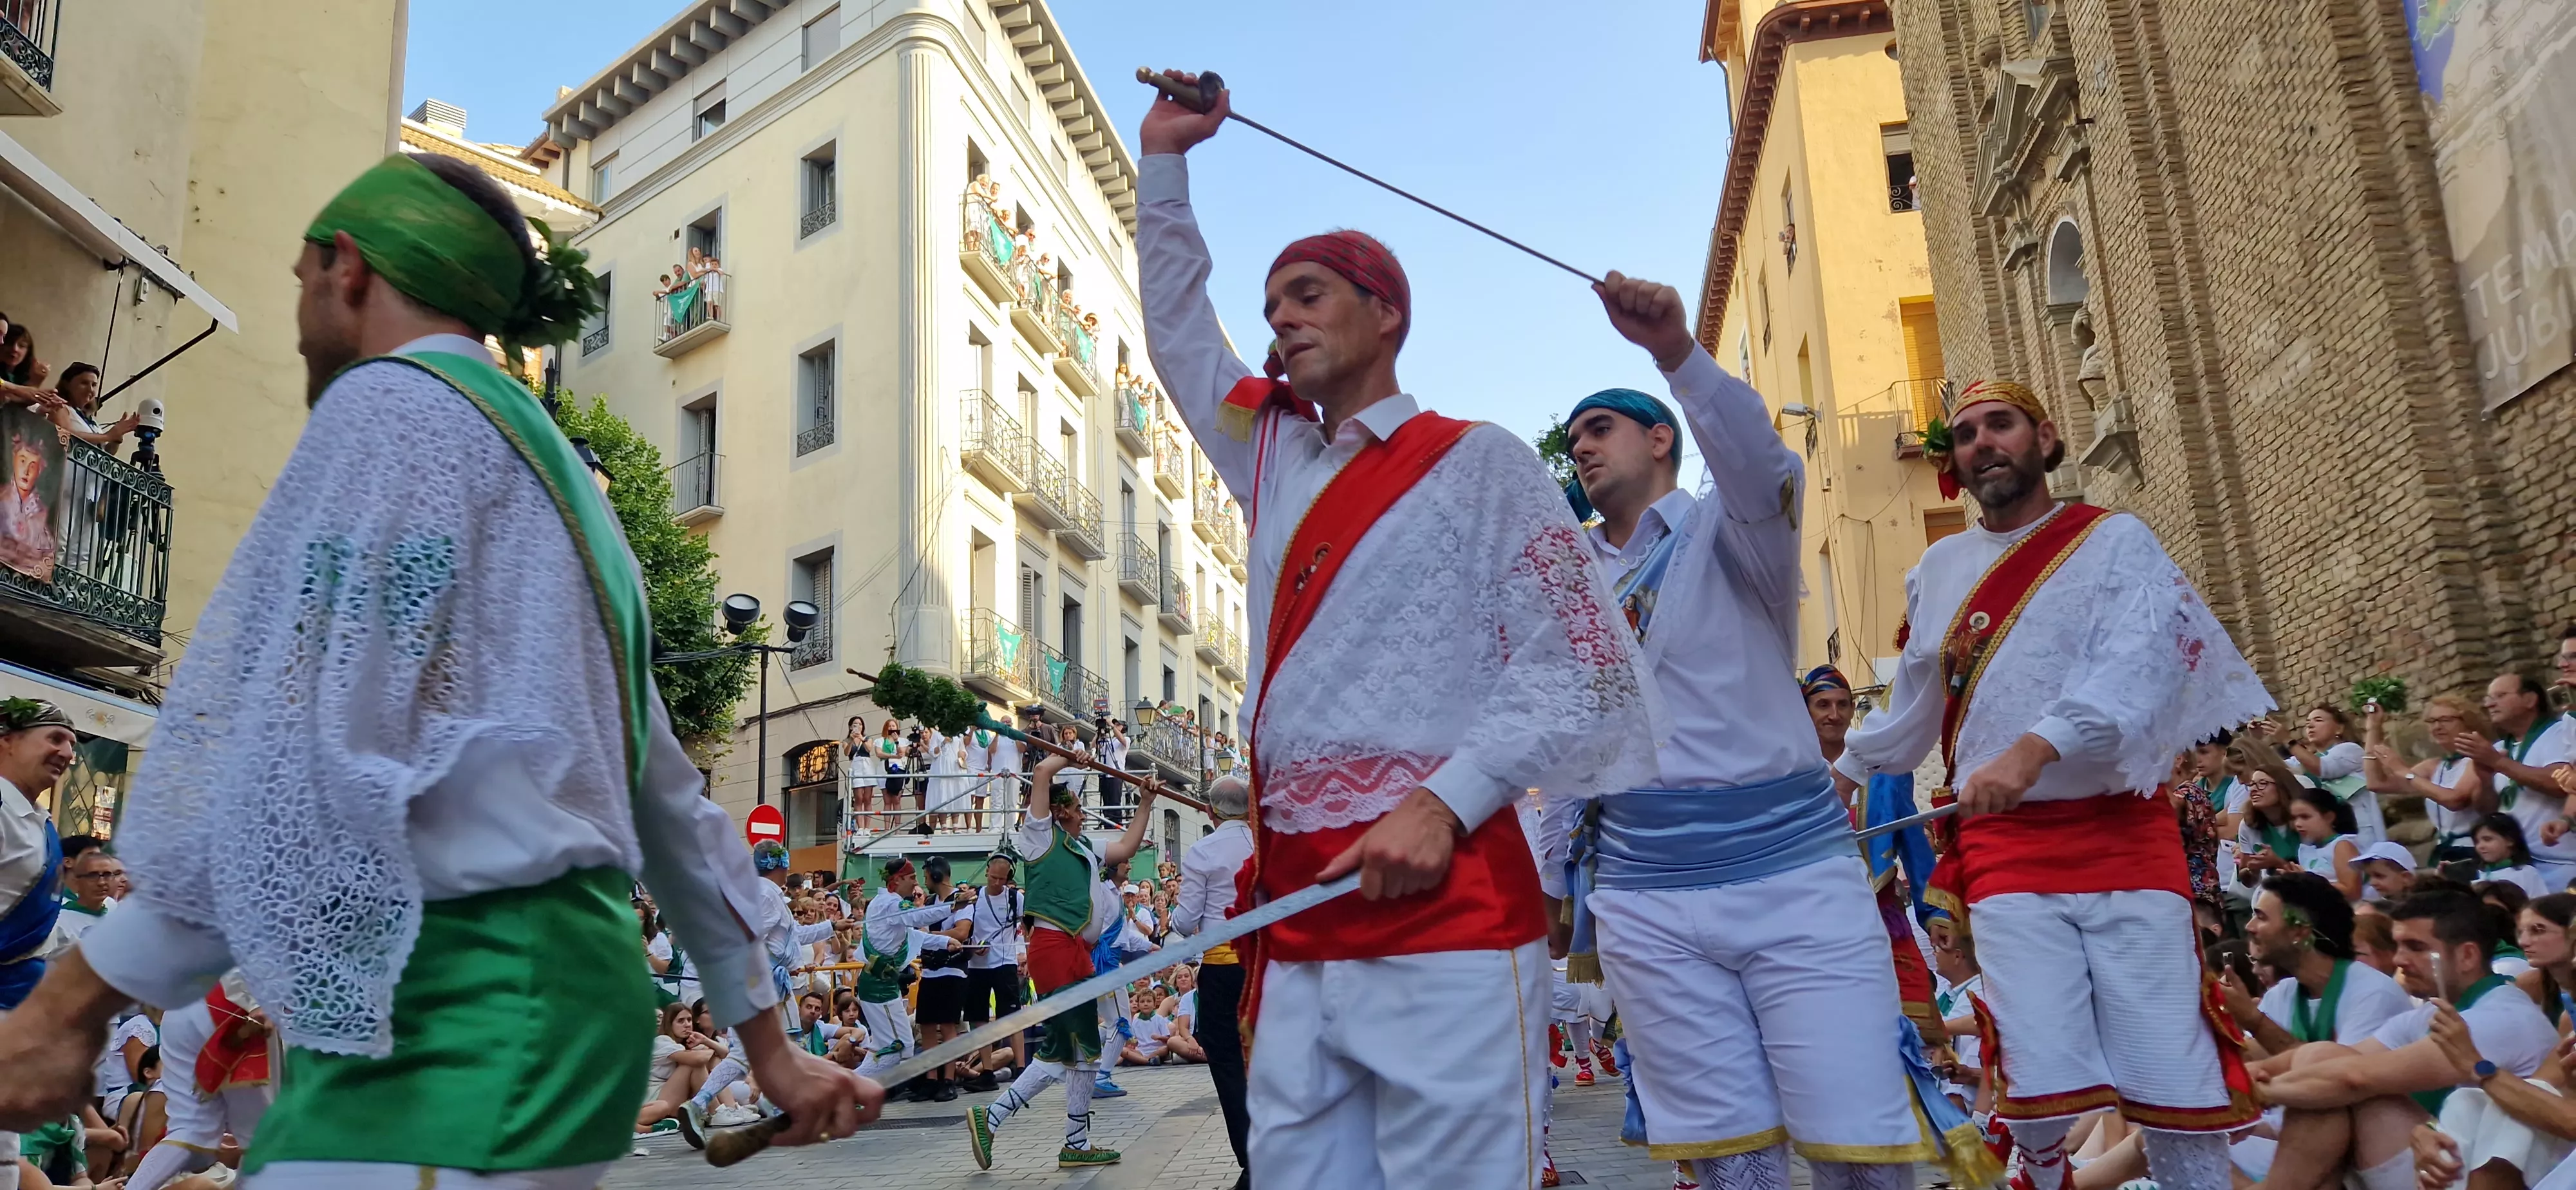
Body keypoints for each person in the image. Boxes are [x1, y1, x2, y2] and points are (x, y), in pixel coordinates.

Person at [0, 155, 878, 1184]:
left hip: (471, 1000)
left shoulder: (394, 410)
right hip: (541, 1001)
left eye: (300, 282)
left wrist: (70, 1003)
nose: (297, 321)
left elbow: (305, 754)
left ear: (352, 271)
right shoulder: (569, 492)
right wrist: (767, 1048)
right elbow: (665, 793)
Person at [1135, 71, 1656, 1190]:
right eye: (1275, 304)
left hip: (1449, 900)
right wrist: (1165, 163)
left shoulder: (1487, 465)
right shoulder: (1266, 450)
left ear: (1387, 311)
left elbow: (1589, 668)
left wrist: (1445, 798)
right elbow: (1181, 336)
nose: (1282, 317)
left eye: (1310, 293)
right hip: (1299, 905)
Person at [1531, 255, 1935, 1187]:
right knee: (1725, 1155)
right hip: (1642, 890)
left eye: (1601, 429)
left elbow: (1762, 463)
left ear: (1662, 440)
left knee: (1858, 1135)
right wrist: (1556, 876)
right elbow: (1571, 743)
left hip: (1792, 871)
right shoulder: (1572, 584)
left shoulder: (1734, 533)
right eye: (1573, 438)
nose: (1582, 449)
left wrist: (1676, 351)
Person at [1833, 377, 2275, 1190]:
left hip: (2122, 829)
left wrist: (2036, 749)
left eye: (1999, 426)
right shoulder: (1939, 566)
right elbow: (1919, 703)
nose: (1981, 444)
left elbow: (2140, 668)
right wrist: (1850, 769)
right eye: (1964, 435)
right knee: (2035, 1061)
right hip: (2004, 843)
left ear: (2042, 438)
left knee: (2168, 1067)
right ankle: (2041, 1178)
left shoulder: (2114, 540)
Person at [2256, 891, 2559, 1190]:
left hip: (2479, 1175)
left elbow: (2355, 1079)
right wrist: (2245, 1079)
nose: (2399, 960)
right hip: (2442, 1153)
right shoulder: (2434, 1010)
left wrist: (2255, 1093)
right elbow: (2343, 1056)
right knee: (2322, 1060)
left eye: (2416, 947)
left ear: (2467, 956)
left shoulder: (2498, 1017)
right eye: (2399, 946)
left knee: (2338, 1084)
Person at [965, 746, 1162, 1171]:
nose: (1081, 809)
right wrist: (1075, 759)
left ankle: (1072, 1138)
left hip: (1075, 954)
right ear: (1058, 812)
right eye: (1074, 804)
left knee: (1076, 1049)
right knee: (1071, 1049)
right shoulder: (1039, 838)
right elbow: (1040, 772)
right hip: (1056, 950)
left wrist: (1146, 802)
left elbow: (1128, 844)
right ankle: (998, 1118)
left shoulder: (1086, 846)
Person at [1806, 665, 1946, 1047]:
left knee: (1913, 1034)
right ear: (1805, 710)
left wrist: (1934, 913)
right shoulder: (1789, 772)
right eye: (1822, 705)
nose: (1833, 714)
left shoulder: (1887, 771)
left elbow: (1916, 849)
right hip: (1811, 919)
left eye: (1842, 704)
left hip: (1881, 914)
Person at [0, 699, 74, 1184]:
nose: (67, 752)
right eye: (55, 738)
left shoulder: (38, 819)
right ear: (6, 740)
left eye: (72, 743)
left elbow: (48, 933)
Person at [2220, 873, 2412, 1059]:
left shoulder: (2374, 994)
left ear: (2299, 932)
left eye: (2262, 918)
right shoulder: (2280, 995)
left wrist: (2254, 1019)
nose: (2249, 927)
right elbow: (2249, 1057)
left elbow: (2339, 1078)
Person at [1171, 772, 1253, 1186]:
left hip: (1223, 967)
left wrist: (1173, 920)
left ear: (1210, 811)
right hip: (1264, 966)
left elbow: (1186, 920)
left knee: (1227, 1062)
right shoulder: (1264, 844)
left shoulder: (1203, 850)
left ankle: (1252, 1157)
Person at [124, 976, 272, 1190]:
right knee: (263, 1134)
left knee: (189, 1127)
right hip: (238, 1010)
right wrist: (255, 1002)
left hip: (183, 1010)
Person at [854, 857, 967, 1098]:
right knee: (896, 1048)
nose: (916, 884)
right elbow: (919, 918)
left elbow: (912, 935)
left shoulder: (889, 904)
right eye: (912, 878)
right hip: (878, 986)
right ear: (897, 880)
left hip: (881, 984)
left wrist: (944, 941)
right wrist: (953, 905)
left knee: (897, 1048)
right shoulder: (890, 904)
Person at [2464, 672, 2575, 890]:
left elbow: (2560, 784)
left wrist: (2498, 762)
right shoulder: (2498, 748)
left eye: (2500, 696)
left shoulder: (2559, 732)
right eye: (2488, 699)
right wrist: (2485, 782)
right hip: (2517, 866)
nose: (2490, 704)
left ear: (2530, 700)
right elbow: (2487, 811)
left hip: (2562, 861)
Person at [2366, 696, 2494, 866]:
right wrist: (2374, 729)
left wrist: (2404, 772)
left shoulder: (2478, 759)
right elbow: (2376, 783)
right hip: (2444, 853)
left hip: (2477, 850)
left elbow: (2455, 800)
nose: (2437, 727)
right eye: (2432, 721)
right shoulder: (2434, 766)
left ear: (2468, 722)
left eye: (2446, 720)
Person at [909, 856, 977, 1102]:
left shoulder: (963, 900)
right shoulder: (928, 903)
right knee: (926, 1025)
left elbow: (961, 932)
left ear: (936, 875)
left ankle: (948, 1080)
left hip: (952, 970)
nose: (924, 880)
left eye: (926, 875)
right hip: (930, 970)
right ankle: (930, 1079)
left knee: (948, 1026)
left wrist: (929, 937)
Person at [963, 853, 1026, 1090]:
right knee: (979, 1019)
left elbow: (1025, 926)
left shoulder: (1015, 898)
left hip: (1005, 961)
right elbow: (965, 925)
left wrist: (1025, 954)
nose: (997, 883)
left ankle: (1021, 1068)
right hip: (978, 964)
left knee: (1011, 1016)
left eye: (1002, 879)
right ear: (987, 871)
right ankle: (987, 1071)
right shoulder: (974, 897)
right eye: (994, 878)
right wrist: (973, 947)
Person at [2288, 782, 2365, 901]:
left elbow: (2353, 893)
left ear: (2329, 817)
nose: (2297, 824)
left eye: (2305, 817)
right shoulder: (2305, 849)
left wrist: (2308, 881)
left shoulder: (2342, 846)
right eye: (2294, 818)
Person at [2472, 814, 2553, 900]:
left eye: (2488, 840)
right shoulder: (2474, 874)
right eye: (2477, 842)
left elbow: (2540, 905)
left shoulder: (2526, 873)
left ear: (2510, 840)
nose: (2480, 846)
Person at [50, 848, 118, 951]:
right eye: (92, 876)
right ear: (77, 882)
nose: (102, 882)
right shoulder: (58, 922)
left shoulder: (115, 912)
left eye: (107, 875)